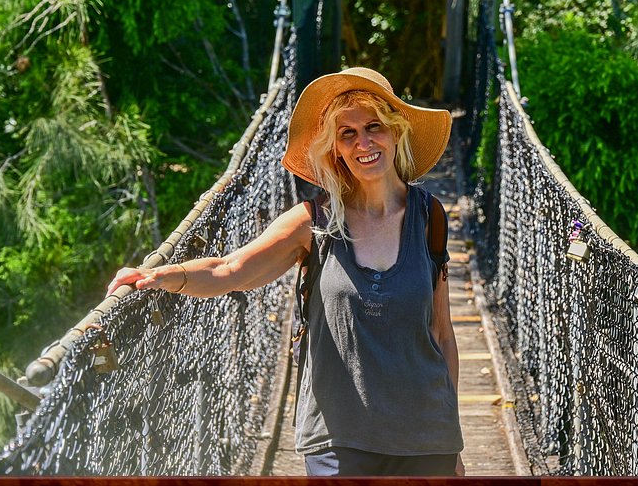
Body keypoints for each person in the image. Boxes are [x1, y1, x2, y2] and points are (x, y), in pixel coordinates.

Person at [106, 67, 466, 477]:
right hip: (338, 441)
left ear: (396, 133)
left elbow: (441, 333)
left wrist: (452, 442)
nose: (363, 142)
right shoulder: (311, 223)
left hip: (425, 438)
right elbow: (230, 269)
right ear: (336, 150)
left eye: (374, 127)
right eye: (347, 134)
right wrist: (163, 276)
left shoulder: (430, 217)